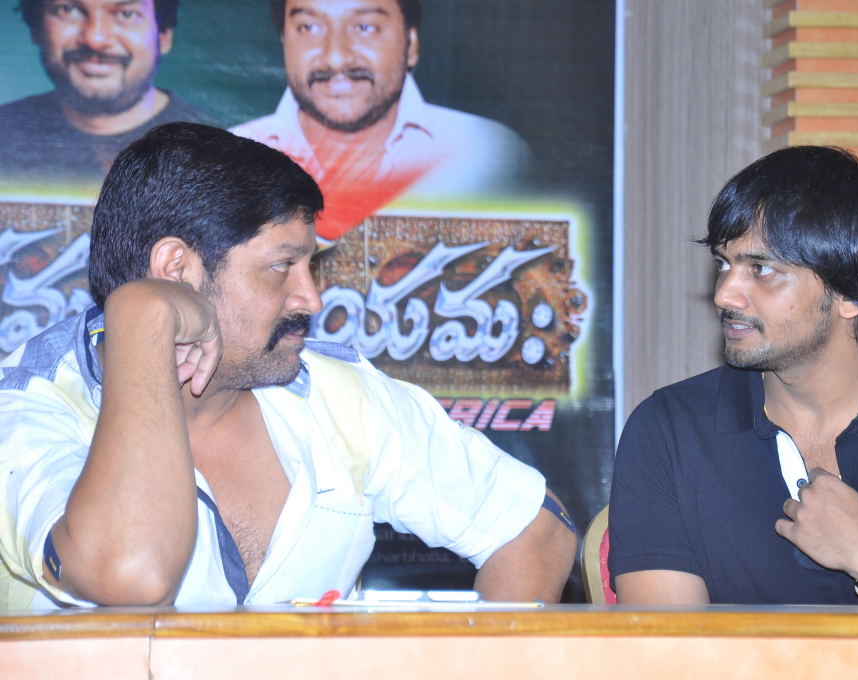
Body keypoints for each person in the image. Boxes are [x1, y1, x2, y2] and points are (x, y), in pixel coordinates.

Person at [0, 122, 575, 610]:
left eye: (310, 267)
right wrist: (143, 313)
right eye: (282, 266)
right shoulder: (27, 409)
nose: (311, 299)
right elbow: (131, 574)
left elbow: (535, 531)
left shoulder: (335, 393)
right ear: (175, 270)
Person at [609, 146, 858, 608]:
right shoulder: (669, 429)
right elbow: (666, 645)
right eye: (723, 263)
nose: (725, 295)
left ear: (857, 291)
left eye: (762, 270)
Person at [231, 0, 532, 240]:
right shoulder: (230, 165)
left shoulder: (488, 152)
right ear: (284, 41)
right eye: (309, 27)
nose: (336, 57)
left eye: (365, 27)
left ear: (411, 45)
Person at [0, 0, 212, 190]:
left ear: (163, 36)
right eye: (68, 9)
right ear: (36, 29)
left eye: (127, 14)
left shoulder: (216, 148)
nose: (95, 39)